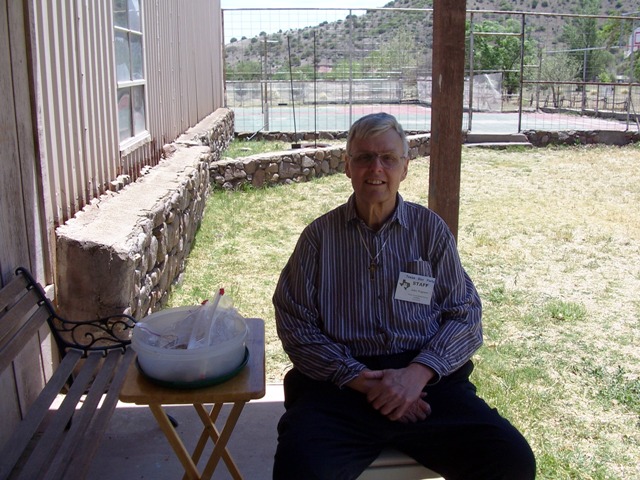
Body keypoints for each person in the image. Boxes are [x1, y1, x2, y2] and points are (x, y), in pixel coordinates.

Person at [272, 112, 536, 480]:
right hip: (342, 388)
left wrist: (415, 377)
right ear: (347, 166)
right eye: (364, 157)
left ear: (405, 167)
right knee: (300, 469)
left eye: (388, 158)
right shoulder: (319, 238)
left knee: (511, 460)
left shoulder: (430, 231)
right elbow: (295, 325)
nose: (376, 168)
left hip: (426, 386)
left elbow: (464, 314)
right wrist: (367, 382)